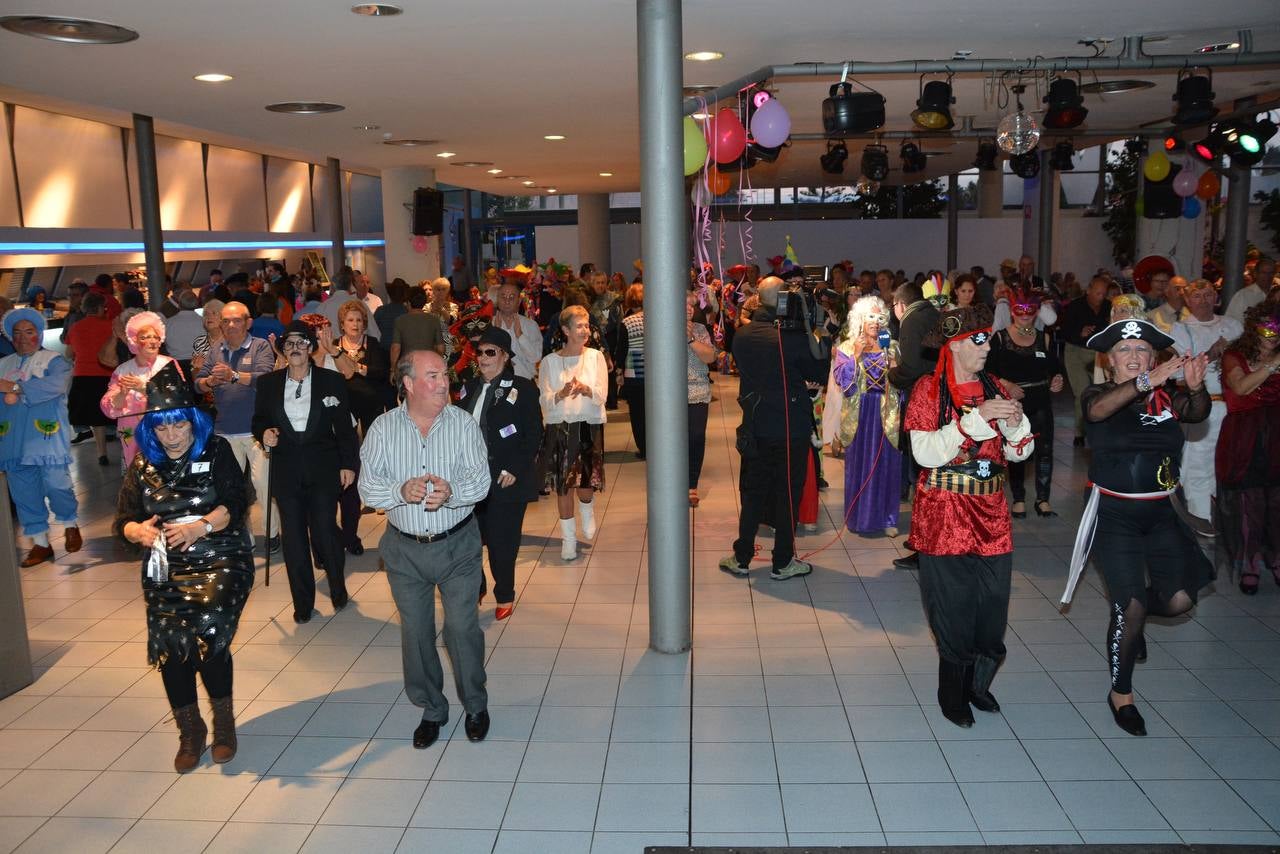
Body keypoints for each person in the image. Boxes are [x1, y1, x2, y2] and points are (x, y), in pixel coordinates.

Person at [1061, 318, 1211, 736]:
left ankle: (1133, 613)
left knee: (1180, 600)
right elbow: (1097, 412)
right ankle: (1121, 694)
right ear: (1110, 361)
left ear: (1154, 357)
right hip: (1115, 515)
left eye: (1143, 350)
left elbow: (1196, 413)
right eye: (1125, 351)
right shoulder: (1099, 395)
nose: (1134, 357)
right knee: (1131, 607)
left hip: (1163, 513)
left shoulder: (1166, 398)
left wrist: (1195, 388)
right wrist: (1145, 382)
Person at [114, 362, 253, 771]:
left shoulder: (217, 452)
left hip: (220, 556)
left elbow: (237, 502)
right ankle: (190, 732)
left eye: (180, 427)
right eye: (162, 428)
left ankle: (224, 726)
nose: (172, 436)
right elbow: (121, 520)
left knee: (208, 632)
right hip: (165, 565)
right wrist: (136, 531)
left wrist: (200, 526)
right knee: (171, 647)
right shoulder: (142, 467)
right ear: (150, 431)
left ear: (194, 423)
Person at [905, 304, 1034, 728]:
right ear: (955, 346)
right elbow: (924, 453)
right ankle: (952, 693)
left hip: (992, 515)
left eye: (988, 338)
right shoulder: (928, 390)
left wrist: (1015, 426)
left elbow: (1020, 451)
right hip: (945, 515)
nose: (987, 346)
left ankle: (978, 685)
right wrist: (974, 421)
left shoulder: (995, 384)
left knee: (992, 612)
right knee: (953, 611)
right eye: (978, 339)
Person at [358, 349, 491, 749]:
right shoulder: (382, 429)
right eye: (432, 376)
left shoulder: (463, 424)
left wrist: (452, 493)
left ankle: (475, 705)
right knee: (416, 633)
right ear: (409, 384)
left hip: (458, 546)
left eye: (445, 375)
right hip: (405, 551)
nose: (444, 382)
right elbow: (367, 487)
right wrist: (398, 491)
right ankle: (432, 708)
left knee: (462, 628)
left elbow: (480, 483)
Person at [719, 277, 828, 580]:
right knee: (787, 494)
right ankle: (782, 561)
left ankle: (741, 557)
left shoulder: (742, 335)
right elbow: (818, 371)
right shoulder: (791, 337)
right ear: (784, 300)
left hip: (755, 425)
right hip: (790, 427)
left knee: (753, 493)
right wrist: (817, 331)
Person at [253, 321, 359, 623]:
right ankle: (302, 602)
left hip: (324, 468)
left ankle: (338, 587)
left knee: (325, 530)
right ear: (283, 350)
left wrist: (348, 464)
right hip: (286, 472)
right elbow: (258, 420)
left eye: (301, 343)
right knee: (294, 539)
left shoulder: (330, 381)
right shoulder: (269, 383)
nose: (296, 348)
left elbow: (345, 429)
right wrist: (265, 434)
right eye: (289, 344)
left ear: (311, 347)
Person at [455, 327, 542, 619]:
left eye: (490, 352)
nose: (483, 358)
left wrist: (515, 469)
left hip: (505, 479)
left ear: (505, 356)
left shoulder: (523, 388)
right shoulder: (468, 387)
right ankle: (476, 586)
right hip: (470, 478)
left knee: (501, 544)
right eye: (479, 352)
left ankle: (504, 592)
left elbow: (533, 435)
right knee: (467, 540)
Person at [194, 300, 279, 550]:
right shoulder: (216, 349)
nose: (231, 325)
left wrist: (233, 376)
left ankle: (272, 534)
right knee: (232, 489)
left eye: (237, 320)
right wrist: (209, 380)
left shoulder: (260, 346)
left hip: (257, 432)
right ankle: (244, 536)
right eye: (226, 321)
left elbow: (266, 379)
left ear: (248, 322)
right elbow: (197, 383)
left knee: (263, 486)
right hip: (225, 431)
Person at [0, 308, 81, 567]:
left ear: (39, 334)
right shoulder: (3, 364)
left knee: (58, 484)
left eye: (29, 332)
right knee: (24, 493)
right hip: (13, 440)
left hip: (47, 438)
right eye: (17, 333)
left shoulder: (54, 360)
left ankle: (69, 522)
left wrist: (15, 387)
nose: (23, 338)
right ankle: (40, 544)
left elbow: (56, 386)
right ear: (10, 337)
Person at [1168, 279, 1243, 532]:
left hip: (1235, 405)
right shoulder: (1180, 330)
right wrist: (1211, 354)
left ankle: (1227, 517)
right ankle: (1201, 518)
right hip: (1204, 405)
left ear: (1217, 298)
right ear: (1187, 300)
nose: (1203, 300)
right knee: (1199, 460)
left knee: (1230, 462)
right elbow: (1176, 375)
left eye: (1208, 294)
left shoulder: (1233, 326)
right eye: (1197, 295)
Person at [1217, 300, 1280, 594]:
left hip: (1277, 435)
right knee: (1250, 504)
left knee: (1276, 503)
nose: (1272, 334)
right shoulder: (1235, 355)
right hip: (1245, 437)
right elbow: (1241, 389)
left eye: (1277, 329)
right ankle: (1250, 563)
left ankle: (1275, 557)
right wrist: (1272, 365)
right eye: (1266, 327)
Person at [827, 295, 903, 536]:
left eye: (880, 317)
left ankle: (888, 519)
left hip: (885, 412)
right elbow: (845, 385)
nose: (876, 321)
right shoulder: (847, 347)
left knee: (887, 464)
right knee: (860, 464)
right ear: (860, 319)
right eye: (870, 316)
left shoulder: (892, 346)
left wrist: (893, 363)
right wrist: (856, 357)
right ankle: (859, 516)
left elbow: (900, 382)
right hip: (860, 413)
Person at [537, 305, 609, 560]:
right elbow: (544, 400)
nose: (585, 330)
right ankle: (568, 539)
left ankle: (587, 510)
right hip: (559, 428)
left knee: (585, 482)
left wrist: (586, 389)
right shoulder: (549, 362)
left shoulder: (595, 357)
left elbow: (602, 394)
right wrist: (560, 393)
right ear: (566, 330)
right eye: (579, 326)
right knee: (563, 486)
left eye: (587, 325)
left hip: (587, 424)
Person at [989, 287, 1066, 518]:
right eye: (1019, 309)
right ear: (1012, 311)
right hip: (1013, 405)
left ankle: (1043, 499)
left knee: (1045, 450)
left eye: (1029, 310)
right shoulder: (1000, 337)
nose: (1024, 314)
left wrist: (1057, 380)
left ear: (1036, 312)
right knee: (1016, 449)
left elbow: (1055, 369)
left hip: (1040, 400)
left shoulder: (1044, 337)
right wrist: (1007, 386)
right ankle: (1019, 498)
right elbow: (987, 372)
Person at [326, 300, 392, 555]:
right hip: (344, 408)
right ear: (341, 323)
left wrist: (358, 368)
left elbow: (380, 372)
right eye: (350, 320)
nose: (355, 324)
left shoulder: (373, 344)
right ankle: (356, 493)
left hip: (372, 403)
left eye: (359, 320)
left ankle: (377, 495)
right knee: (350, 455)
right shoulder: (333, 348)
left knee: (375, 452)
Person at [887, 280, 940, 569]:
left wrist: (890, 375)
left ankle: (924, 545)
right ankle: (923, 539)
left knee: (922, 473)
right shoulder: (934, 313)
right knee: (928, 472)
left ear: (900, 304)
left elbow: (911, 367)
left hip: (925, 400)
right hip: (941, 399)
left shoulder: (910, 320)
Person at [100, 311, 176, 472]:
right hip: (131, 435)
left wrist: (143, 387)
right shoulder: (123, 370)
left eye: (155, 337)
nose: (152, 341)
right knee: (137, 477)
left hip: (164, 431)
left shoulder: (169, 365)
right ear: (134, 341)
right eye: (145, 337)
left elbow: (178, 397)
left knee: (165, 474)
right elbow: (108, 408)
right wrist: (122, 393)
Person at [62, 292, 116, 466]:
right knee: (116, 415)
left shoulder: (75, 327)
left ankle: (101, 452)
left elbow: (69, 354)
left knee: (95, 418)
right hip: (107, 374)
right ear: (100, 308)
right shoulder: (111, 326)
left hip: (83, 376)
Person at [1059, 275, 1112, 446]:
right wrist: (1079, 332)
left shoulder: (1108, 307)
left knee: (1101, 391)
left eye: (1103, 294)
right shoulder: (1075, 306)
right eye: (1097, 293)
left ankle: (1099, 428)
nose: (1100, 297)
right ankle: (1080, 432)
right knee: (1081, 392)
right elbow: (1064, 332)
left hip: (1098, 353)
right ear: (1088, 290)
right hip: (1075, 351)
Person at [685, 291, 717, 507]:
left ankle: (691, 485)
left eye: (692, 305)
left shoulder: (700, 329)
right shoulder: (662, 330)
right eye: (685, 304)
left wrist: (690, 340)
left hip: (697, 390)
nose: (689, 308)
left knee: (696, 437)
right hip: (668, 395)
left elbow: (710, 357)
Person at [489, 278, 542, 380]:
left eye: (512, 297)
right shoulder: (489, 324)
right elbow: (485, 358)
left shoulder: (531, 325)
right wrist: (496, 333)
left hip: (524, 381)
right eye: (503, 296)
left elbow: (535, 357)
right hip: (496, 381)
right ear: (497, 299)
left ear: (519, 301)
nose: (507, 301)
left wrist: (520, 335)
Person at [618, 284, 648, 458]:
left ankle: (644, 448)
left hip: (634, 373)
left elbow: (622, 350)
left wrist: (619, 372)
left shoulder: (627, 322)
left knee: (638, 413)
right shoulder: (657, 317)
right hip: (655, 373)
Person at [389, 286, 446, 369]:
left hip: (407, 366)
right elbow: (441, 348)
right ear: (424, 302)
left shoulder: (400, 321)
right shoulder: (434, 320)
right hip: (428, 365)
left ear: (408, 302)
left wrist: (393, 369)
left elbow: (395, 348)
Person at [1226, 256, 1275, 323]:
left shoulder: (1276, 294)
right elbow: (1231, 322)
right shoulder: (1243, 295)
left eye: (1271, 273)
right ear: (1255, 274)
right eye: (1263, 272)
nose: (1268, 276)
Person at [375, 279, 409, 343]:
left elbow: (373, 331)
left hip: (383, 349)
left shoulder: (380, 310)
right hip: (403, 350)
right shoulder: (407, 312)